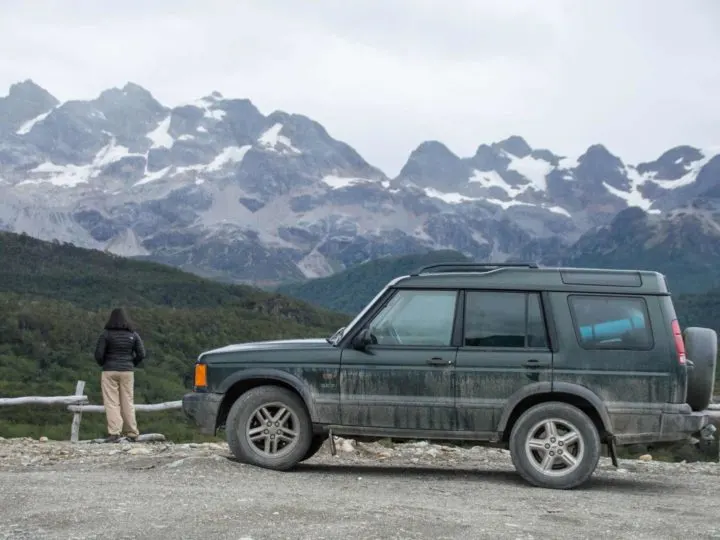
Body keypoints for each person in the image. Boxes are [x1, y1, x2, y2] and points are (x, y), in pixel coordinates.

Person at [94, 307, 146, 442]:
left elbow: (99, 354)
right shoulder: (133, 335)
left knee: (112, 402)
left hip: (109, 370)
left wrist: (104, 364)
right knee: (128, 401)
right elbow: (141, 354)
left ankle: (114, 432)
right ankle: (132, 432)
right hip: (127, 371)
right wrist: (131, 363)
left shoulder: (106, 334)